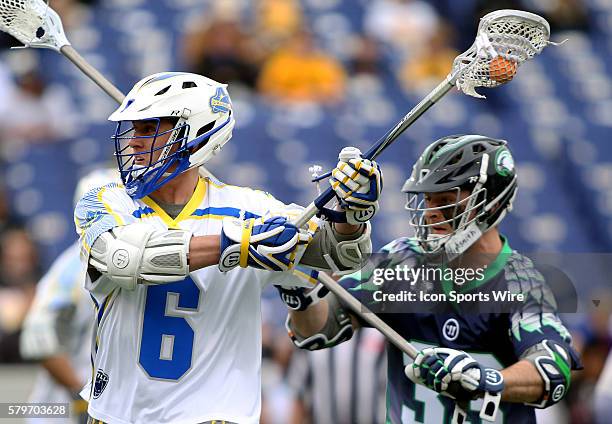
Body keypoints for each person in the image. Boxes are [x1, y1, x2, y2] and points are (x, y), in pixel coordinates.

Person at [73, 72, 382, 424]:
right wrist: (237, 244)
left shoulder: (255, 210)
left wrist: (352, 213)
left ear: (196, 134)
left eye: (149, 129)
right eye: (134, 130)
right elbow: (124, 259)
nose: (133, 143)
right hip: (116, 416)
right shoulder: (105, 199)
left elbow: (342, 254)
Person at [284, 134, 582, 423]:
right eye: (427, 200)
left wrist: (485, 379)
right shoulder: (401, 263)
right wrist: (298, 289)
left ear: (490, 203)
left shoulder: (518, 282)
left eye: (445, 200)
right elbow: (318, 331)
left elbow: (551, 370)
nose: (431, 213)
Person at [20, 169, 119, 424]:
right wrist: (80, 396)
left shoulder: (128, 261)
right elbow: (38, 340)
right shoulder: (71, 268)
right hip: (61, 412)